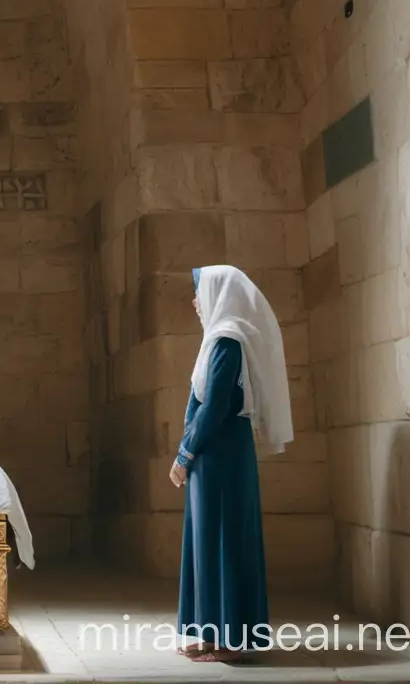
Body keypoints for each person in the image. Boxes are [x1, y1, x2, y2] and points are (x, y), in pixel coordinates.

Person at [169, 265, 292, 663]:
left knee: (224, 539)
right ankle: (209, 632)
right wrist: (188, 452)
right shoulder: (216, 340)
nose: (194, 302)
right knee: (207, 540)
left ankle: (231, 641)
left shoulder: (227, 340)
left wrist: (185, 453)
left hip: (221, 452)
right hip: (214, 454)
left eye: (198, 291)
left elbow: (217, 405)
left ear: (217, 293)